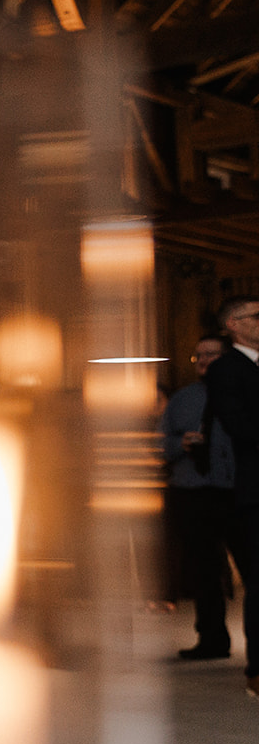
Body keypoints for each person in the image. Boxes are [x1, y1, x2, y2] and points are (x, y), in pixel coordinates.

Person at [160, 335, 236, 659]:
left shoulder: (242, 394)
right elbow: (160, 445)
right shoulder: (182, 399)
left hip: (234, 489)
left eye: (211, 354)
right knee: (203, 571)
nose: (204, 360)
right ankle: (212, 640)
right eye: (198, 356)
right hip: (192, 490)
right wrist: (182, 444)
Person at [202, 294, 259, 700]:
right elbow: (240, 425)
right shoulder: (227, 369)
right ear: (234, 324)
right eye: (258, 316)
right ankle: (258, 671)